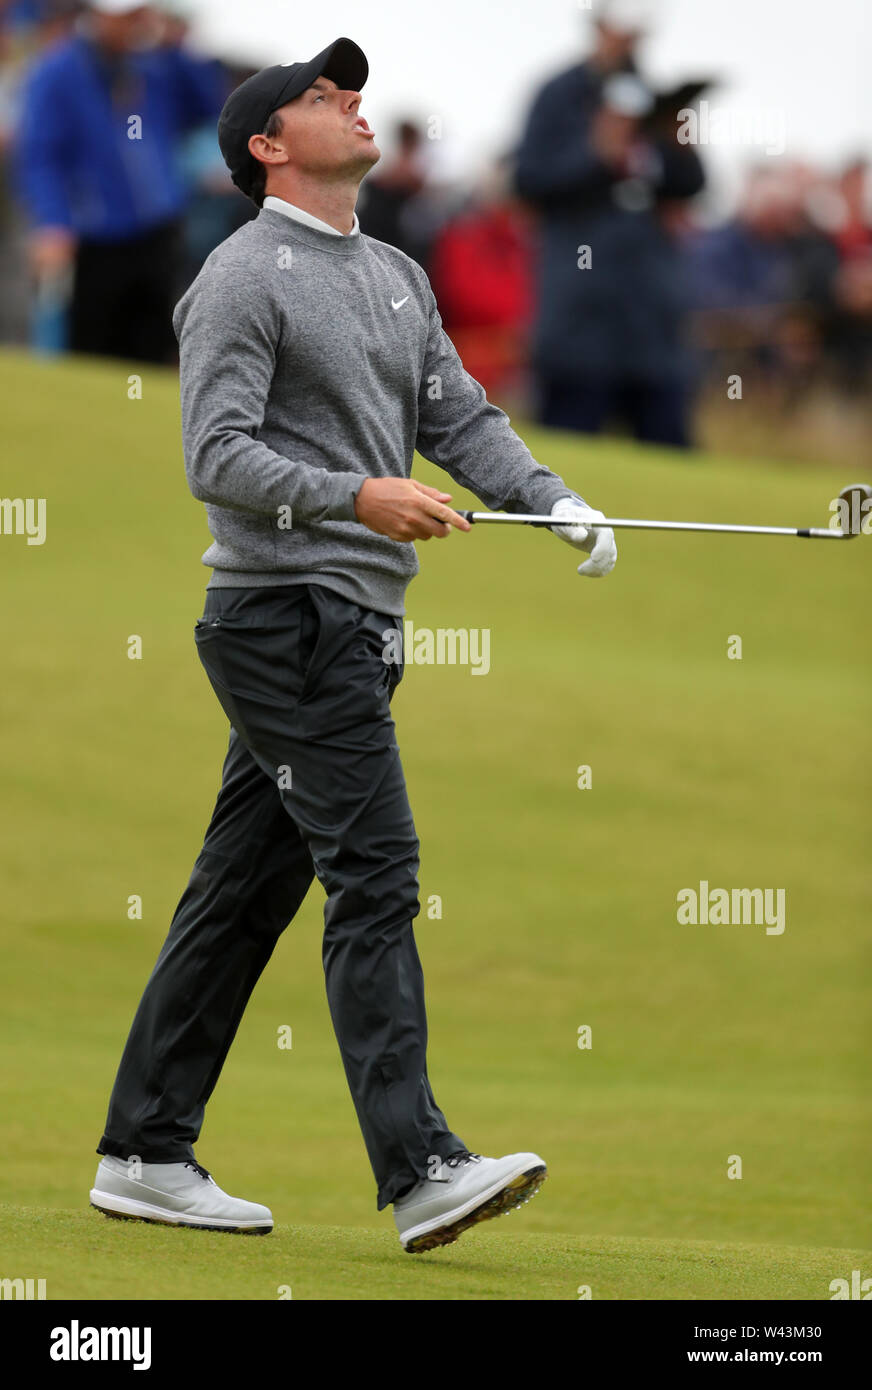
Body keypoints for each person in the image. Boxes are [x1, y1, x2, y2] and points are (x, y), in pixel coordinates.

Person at [88, 36, 617, 1254]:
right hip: (285, 618)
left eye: (351, 88)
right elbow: (213, 459)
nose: (351, 101)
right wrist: (356, 495)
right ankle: (421, 1165)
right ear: (267, 146)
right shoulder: (238, 276)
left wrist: (551, 500)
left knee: (239, 896)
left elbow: (455, 415)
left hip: (356, 621)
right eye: (322, 95)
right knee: (375, 871)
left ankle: (145, 1151)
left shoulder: (391, 270)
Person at [514, 0, 705, 446]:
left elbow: (691, 185)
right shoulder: (558, 94)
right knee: (565, 460)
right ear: (598, 25)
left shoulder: (655, 97)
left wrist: (682, 146)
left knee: (669, 456)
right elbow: (529, 180)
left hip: (652, 325)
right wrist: (597, 155)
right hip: (580, 322)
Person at [12, 0, 223, 362]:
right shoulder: (57, 73)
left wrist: (175, 45)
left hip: (158, 228)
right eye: (124, 17)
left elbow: (209, 106)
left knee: (153, 346)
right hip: (94, 234)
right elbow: (41, 156)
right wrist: (53, 222)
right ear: (97, 16)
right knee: (92, 349)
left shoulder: (155, 67)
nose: (132, 25)